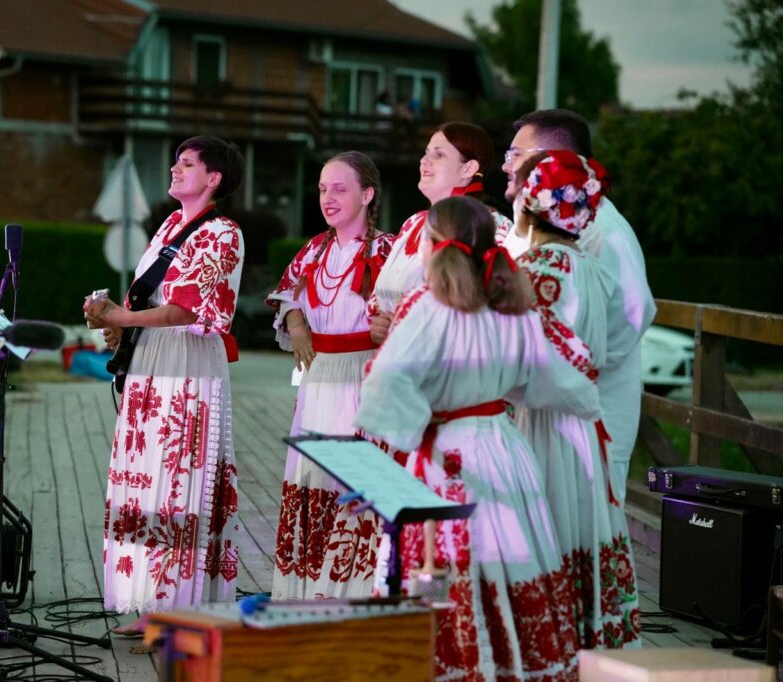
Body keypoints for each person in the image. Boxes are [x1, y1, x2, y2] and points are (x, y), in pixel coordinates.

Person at [356, 195, 603, 681]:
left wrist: (411, 427)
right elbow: (549, 378)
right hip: (504, 450)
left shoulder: (426, 306)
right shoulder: (512, 306)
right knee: (511, 557)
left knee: (440, 561)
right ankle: (513, 662)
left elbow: (387, 382)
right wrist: (589, 404)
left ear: (430, 244)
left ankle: (449, 664)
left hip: (447, 455)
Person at [83, 136, 244, 636]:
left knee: (180, 481)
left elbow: (188, 307)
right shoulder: (172, 225)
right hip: (154, 359)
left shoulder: (223, 233)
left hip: (188, 360)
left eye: (187, 163)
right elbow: (154, 299)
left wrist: (124, 315)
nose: (175, 168)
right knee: (149, 478)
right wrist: (118, 323)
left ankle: (183, 608)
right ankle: (155, 602)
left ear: (213, 178)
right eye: (176, 160)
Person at [511, 151, 641, 649]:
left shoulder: (529, 270)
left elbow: (519, 361)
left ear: (531, 204)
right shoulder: (591, 269)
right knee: (583, 518)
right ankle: (587, 635)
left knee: (548, 516)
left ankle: (548, 643)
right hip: (585, 427)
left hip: (539, 421)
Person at [501, 108, 656, 501]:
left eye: (515, 154)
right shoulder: (533, 225)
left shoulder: (605, 231)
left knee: (578, 532)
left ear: (550, 158)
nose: (506, 165)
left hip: (587, 415)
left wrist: (564, 370)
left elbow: (635, 313)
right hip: (535, 409)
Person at [266, 151, 395, 600]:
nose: (328, 197)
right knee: (312, 477)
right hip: (319, 379)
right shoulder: (315, 249)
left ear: (368, 194)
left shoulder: (388, 251)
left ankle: (354, 591)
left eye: (340, 188)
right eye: (323, 188)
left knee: (353, 480)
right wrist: (298, 325)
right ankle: (308, 589)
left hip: (364, 377)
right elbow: (287, 295)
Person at [368, 122, 512, 348]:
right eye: (425, 154)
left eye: (439, 155)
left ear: (468, 168)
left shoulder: (490, 226)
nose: (424, 161)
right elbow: (380, 298)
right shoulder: (413, 224)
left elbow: (498, 304)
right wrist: (378, 323)